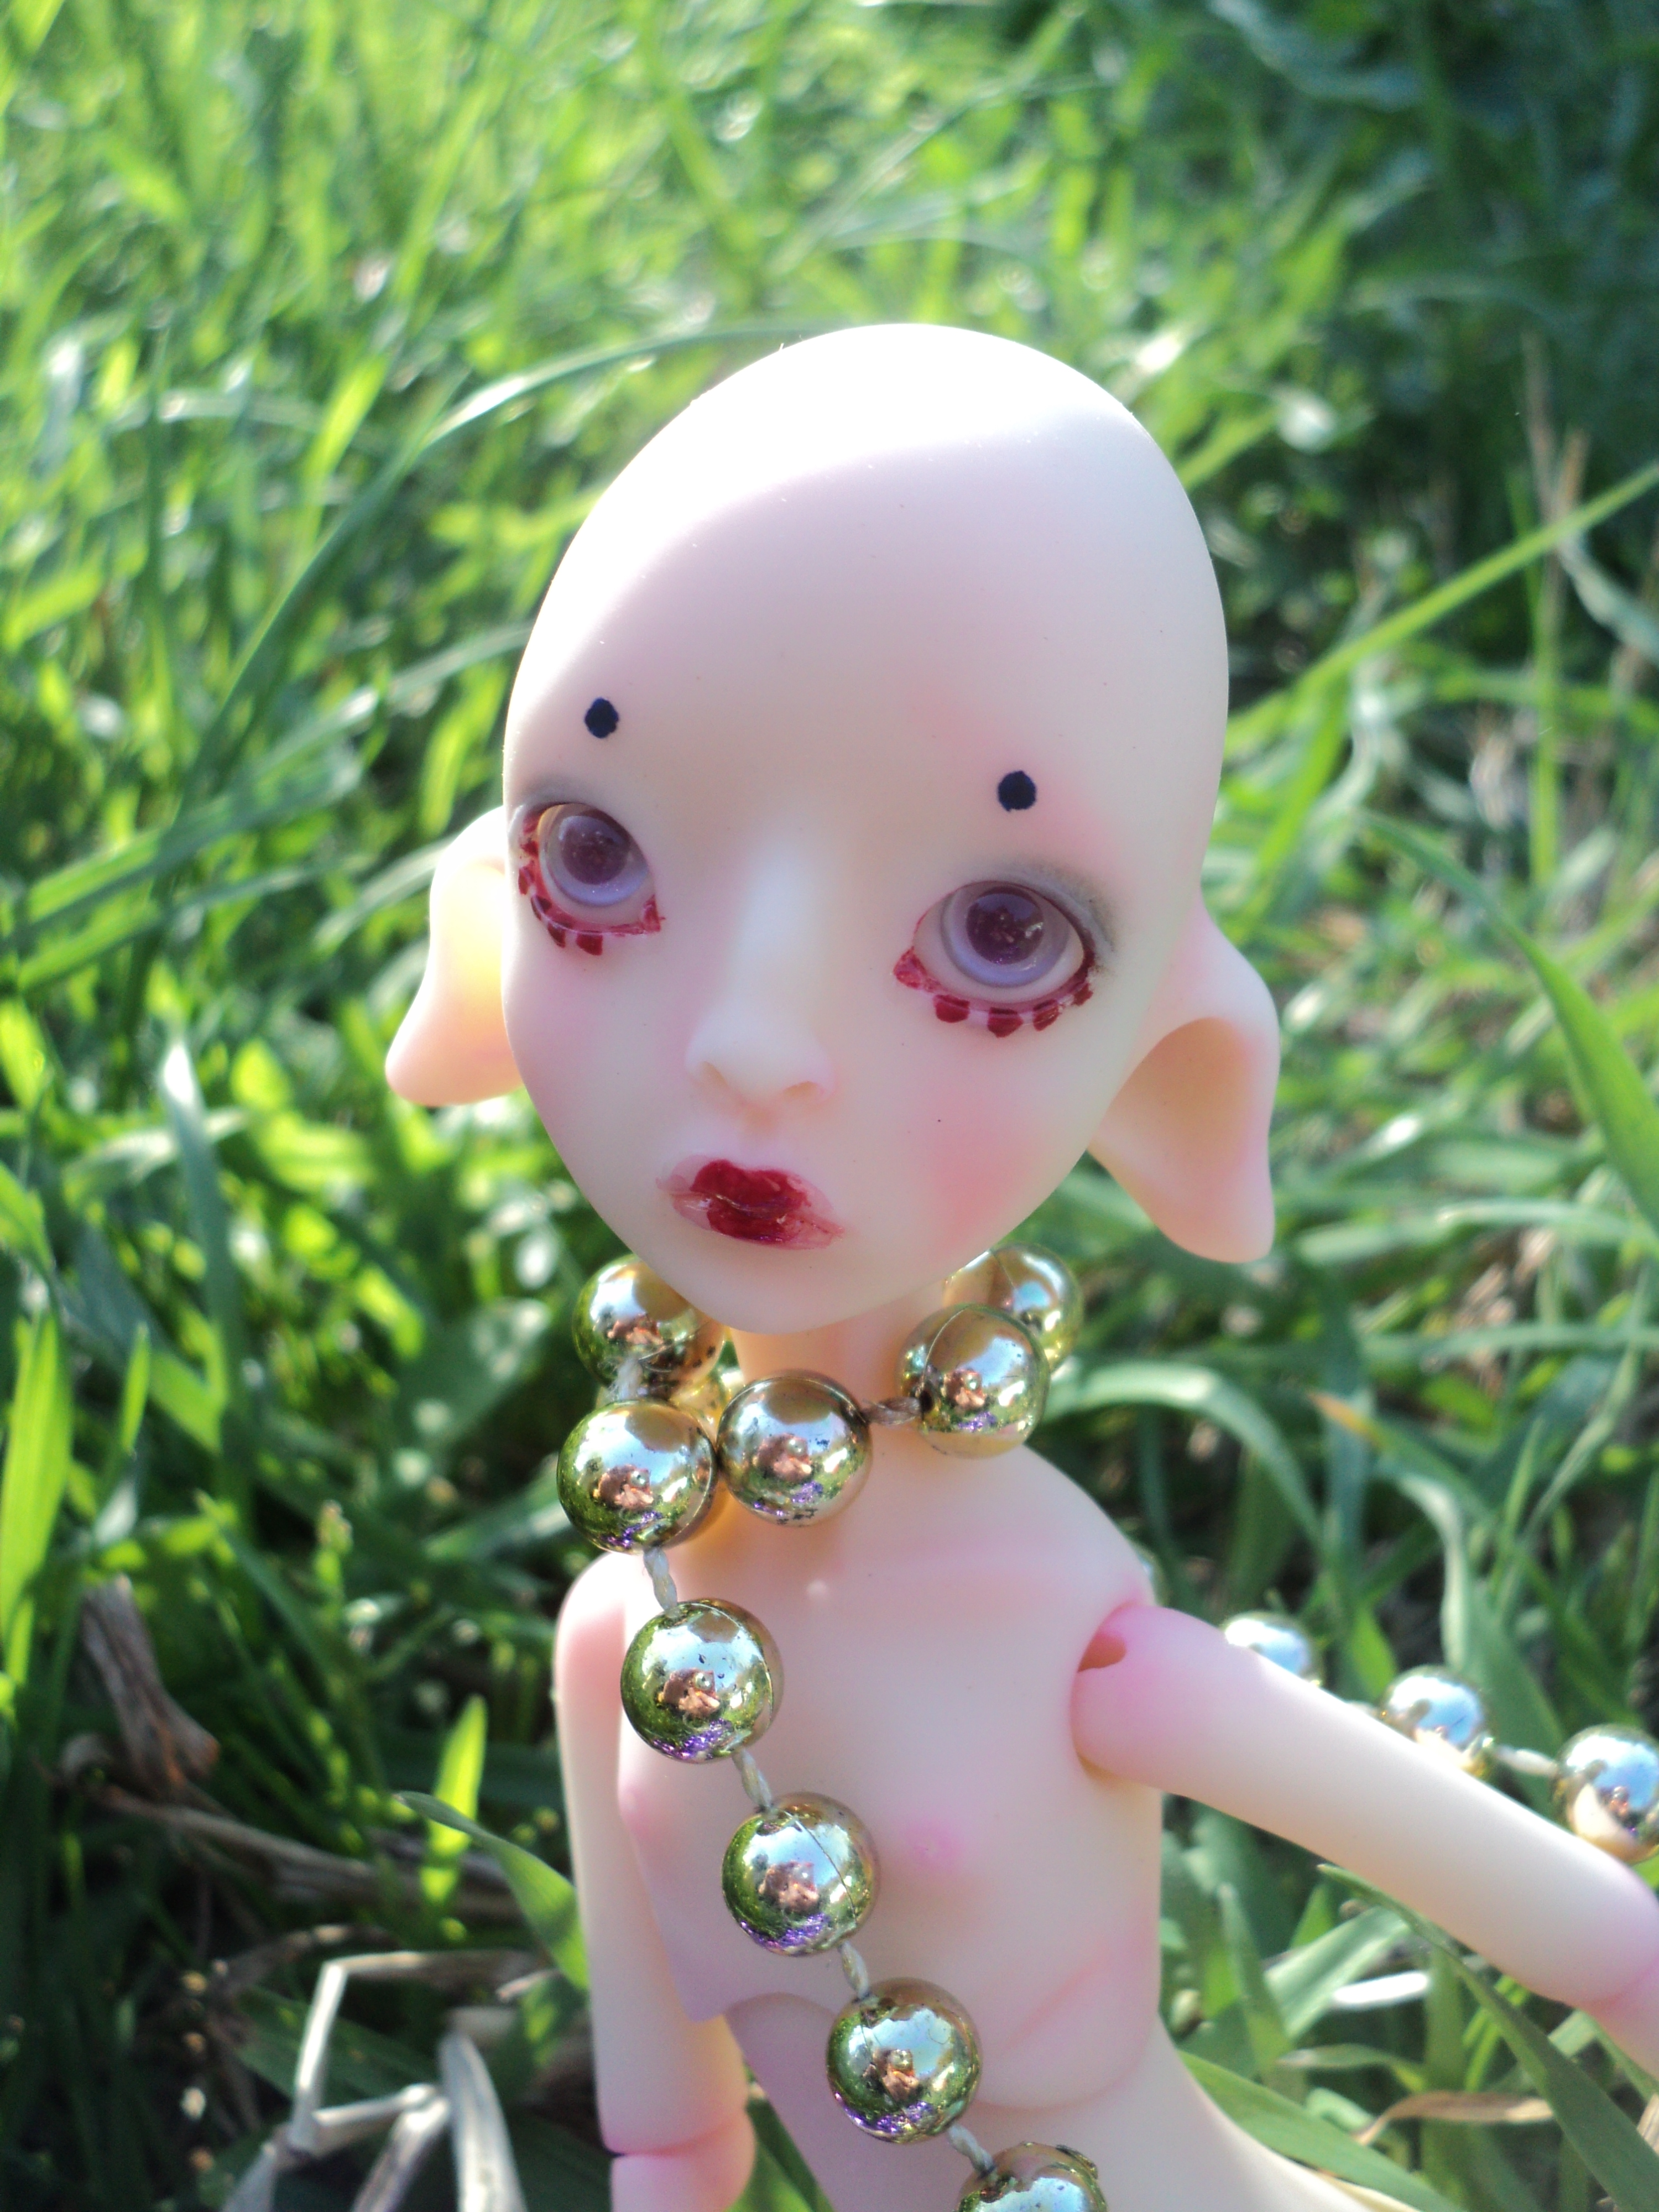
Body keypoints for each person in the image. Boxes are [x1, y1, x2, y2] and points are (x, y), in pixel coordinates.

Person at [388, 326, 1659, 2212]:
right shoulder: (625, 1639)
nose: (753, 1039)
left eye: (1001, 933)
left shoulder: (1063, 1614)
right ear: (486, 929)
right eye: (597, 856)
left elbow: (1602, 1942)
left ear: (1173, 1059)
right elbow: (670, 2132)